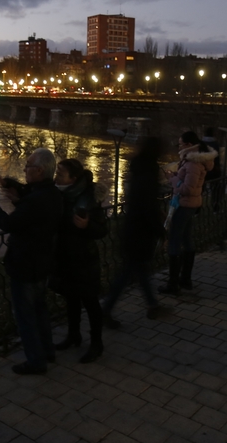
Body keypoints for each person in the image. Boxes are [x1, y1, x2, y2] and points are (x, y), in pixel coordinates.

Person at [0, 148, 64, 374]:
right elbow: (32, 214)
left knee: (26, 316)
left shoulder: (35, 200)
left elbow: (9, 224)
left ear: (38, 170)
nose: (25, 169)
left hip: (25, 264)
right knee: (40, 310)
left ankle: (36, 361)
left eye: (27, 166)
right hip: (43, 262)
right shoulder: (52, 194)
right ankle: (47, 351)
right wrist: (16, 195)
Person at [50, 159, 108, 363]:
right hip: (64, 256)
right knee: (71, 298)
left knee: (90, 302)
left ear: (73, 178)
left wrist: (87, 226)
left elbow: (102, 230)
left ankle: (96, 344)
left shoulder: (89, 197)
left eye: (60, 173)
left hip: (84, 259)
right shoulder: (58, 193)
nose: (56, 175)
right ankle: (74, 335)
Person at [102, 137, 163, 323]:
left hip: (133, 228)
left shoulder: (139, 169)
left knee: (138, 270)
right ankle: (106, 310)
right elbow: (148, 206)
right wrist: (159, 229)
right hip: (140, 232)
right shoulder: (149, 173)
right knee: (130, 271)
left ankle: (152, 304)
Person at [161, 131, 216, 295]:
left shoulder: (193, 162)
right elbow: (189, 181)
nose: (178, 147)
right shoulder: (193, 160)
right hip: (190, 205)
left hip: (184, 205)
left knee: (174, 241)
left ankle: (173, 283)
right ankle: (185, 279)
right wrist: (177, 175)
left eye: (180, 144)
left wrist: (172, 179)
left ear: (188, 145)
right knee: (187, 239)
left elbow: (188, 188)